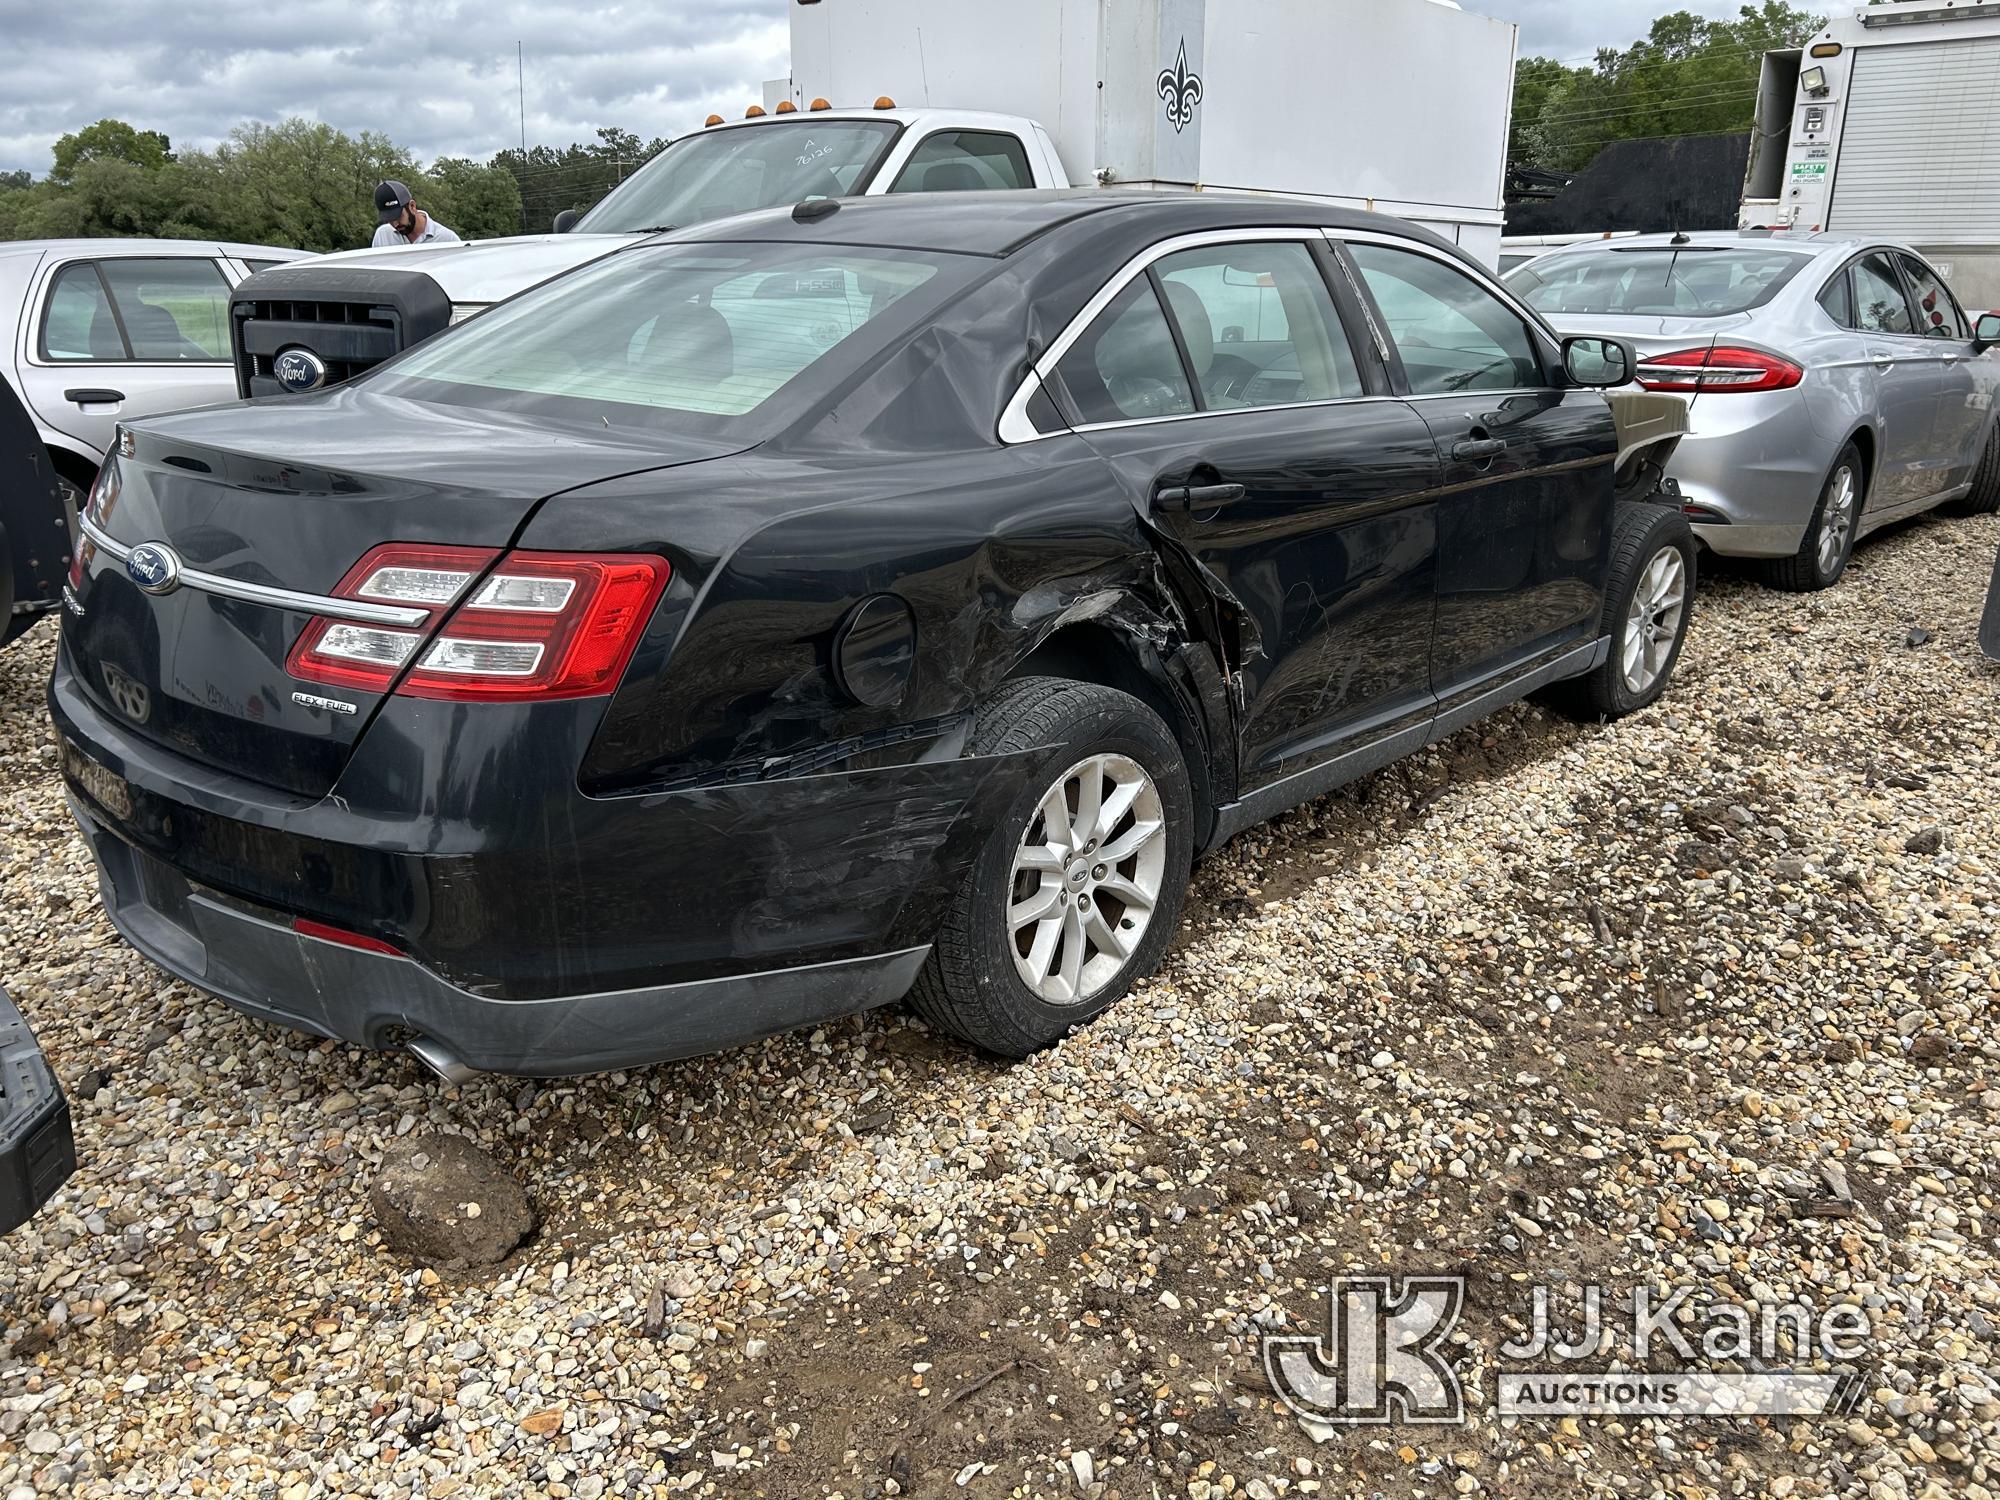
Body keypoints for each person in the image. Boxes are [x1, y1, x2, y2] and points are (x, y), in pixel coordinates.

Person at [371, 181, 460, 247]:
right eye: (390, 219)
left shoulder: (448, 239)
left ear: (412, 206)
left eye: (398, 216)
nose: (395, 224)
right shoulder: (382, 236)